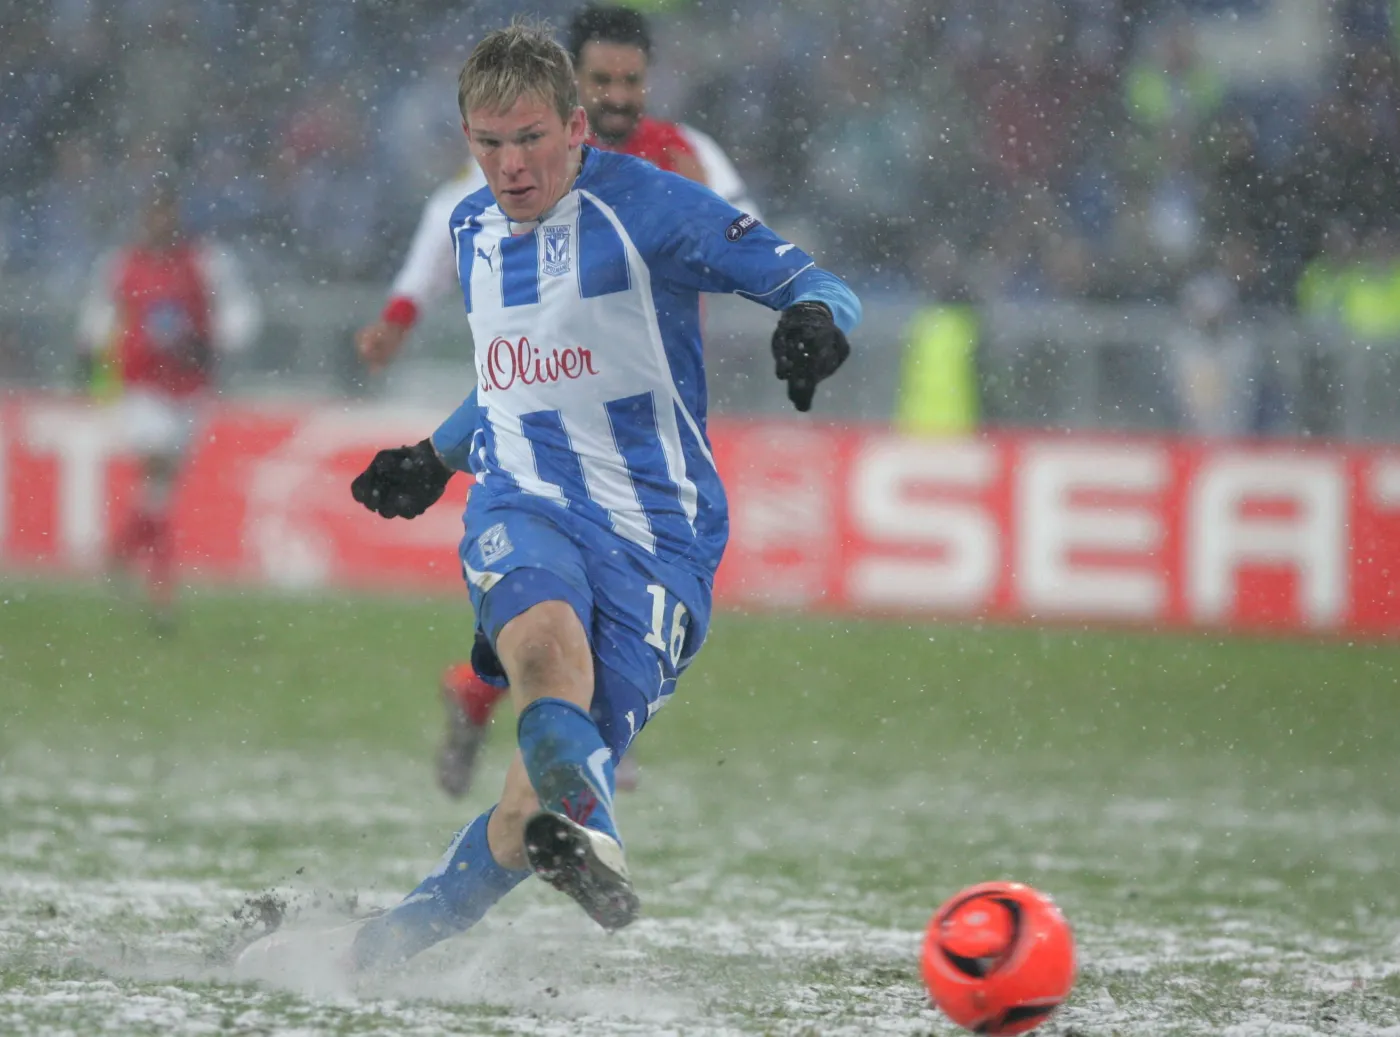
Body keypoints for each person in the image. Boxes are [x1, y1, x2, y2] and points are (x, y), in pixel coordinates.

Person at [344, 21, 857, 970]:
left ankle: (379, 946)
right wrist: (436, 457)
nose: (509, 165)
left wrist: (819, 324)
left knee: (518, 817)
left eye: (530, 138)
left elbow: (810, 279)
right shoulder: (469, 229)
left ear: (578, 127)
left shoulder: (655, 209)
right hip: (524, 499)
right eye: (488, 144)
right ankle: (595, 834)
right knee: (543, 648)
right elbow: (515, 376)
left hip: (661, 536)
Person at [355, 2, 761, 801]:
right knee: (567, 581)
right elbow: (450, 214)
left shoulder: (682, 156)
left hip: (645, 397)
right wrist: (402, 311)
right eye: (601, 79)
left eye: (631, 81)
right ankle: (589, 738)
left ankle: (484, 697)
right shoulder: (531, 157)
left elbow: (745, 232)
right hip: (552, 387)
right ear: (572, 88)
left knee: (590, 589)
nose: (617, 95)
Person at [77, 179, 261, 629]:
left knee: (157, 493)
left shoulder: (204, 262)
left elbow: (240, 314)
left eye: (167, 212)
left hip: (190, 389)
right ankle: (162, 592)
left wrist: (214, 341)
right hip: (142, 387)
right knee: (156, 470)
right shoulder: (122, 265)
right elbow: (99, 318)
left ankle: (119, 555)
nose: (160, 221)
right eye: (153, 213)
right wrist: (93, 354)